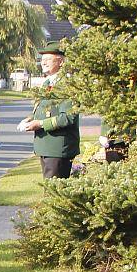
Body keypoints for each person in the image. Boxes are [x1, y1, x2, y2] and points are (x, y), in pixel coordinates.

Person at [20, 42, 79, 178]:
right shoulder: (48, 82)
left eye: (48, 59)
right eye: (42, 59)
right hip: (47, 146)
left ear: (61, 62)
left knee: (55, 188)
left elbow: (68, 117)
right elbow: (45, 109)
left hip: (58, 147)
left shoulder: (66, 84)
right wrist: (30, 119)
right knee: (50, 187)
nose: (43, 63)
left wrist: (40, 124)